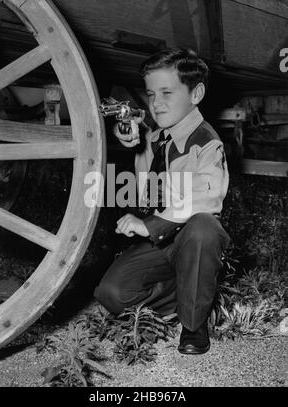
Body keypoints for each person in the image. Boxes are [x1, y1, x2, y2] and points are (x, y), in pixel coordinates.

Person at [94, 48, 230, 355]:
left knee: (204, 227)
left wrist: (149, 225)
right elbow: (142, 156)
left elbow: (206, 196)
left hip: (187, 238)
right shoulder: (156, 138)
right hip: (159, 244)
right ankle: (188, 292)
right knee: (111, 293)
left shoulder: (207, 141)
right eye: (151, 93)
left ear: (196, 94)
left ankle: (194, 324)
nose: (157, 102)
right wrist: (127, 134)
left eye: (167, 92)